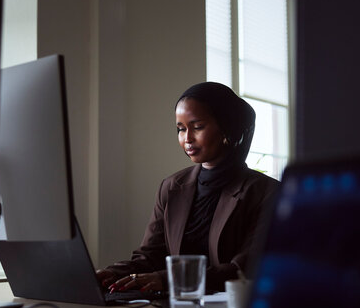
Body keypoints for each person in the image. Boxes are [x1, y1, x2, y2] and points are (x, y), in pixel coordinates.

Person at [96, 82, 280, 292]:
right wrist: (112, 273)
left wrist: (167, 279)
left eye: (198, 127)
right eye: (181, 129)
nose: (187, 138)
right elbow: (150, 257)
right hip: (176, 307)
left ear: (227, 127)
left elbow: (245, 268)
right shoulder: (171, 186)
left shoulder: (267, 192)